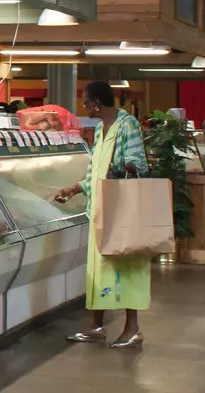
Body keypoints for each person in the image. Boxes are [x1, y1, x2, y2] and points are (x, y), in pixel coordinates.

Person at [54, 80, 151, 348]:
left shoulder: (126, 124)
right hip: (99, 210)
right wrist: (75, 189)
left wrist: (123, 166)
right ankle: (95, 326)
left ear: (96, 102)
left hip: (121, 211)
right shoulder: (99, 130)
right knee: (98, 271)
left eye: (86, 102)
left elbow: (137, 163)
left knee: (126, 267)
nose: (85, 107)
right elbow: (95, 172)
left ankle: (133, 328)